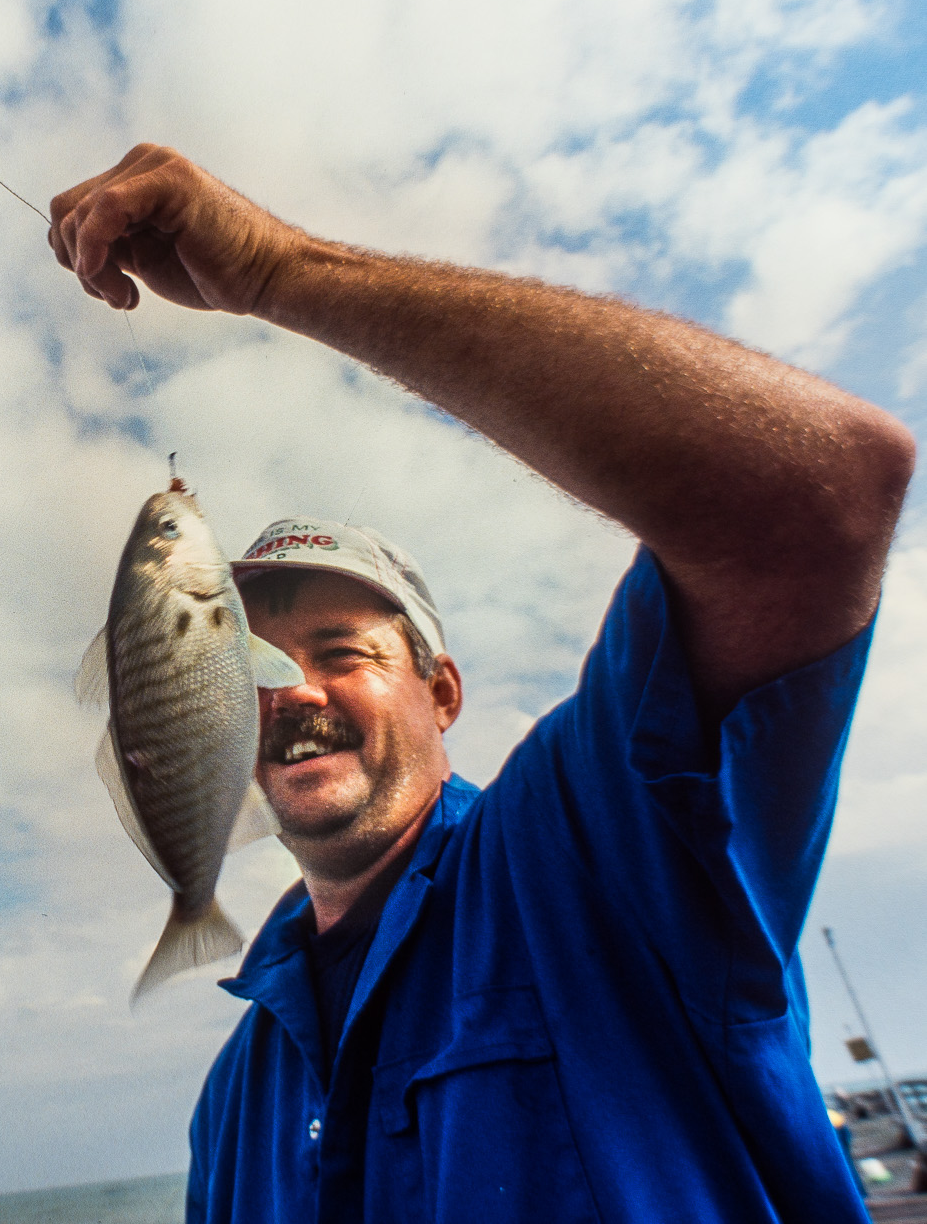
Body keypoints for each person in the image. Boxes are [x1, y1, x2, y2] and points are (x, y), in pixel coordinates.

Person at [49, 145, 916, 1223]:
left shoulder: (591, 855)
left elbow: (818, 494)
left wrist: (280, 272)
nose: (296, 692)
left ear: (442, 692)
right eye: (257, 664)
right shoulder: (235, 1097)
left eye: (345, 651)